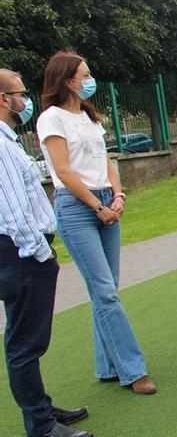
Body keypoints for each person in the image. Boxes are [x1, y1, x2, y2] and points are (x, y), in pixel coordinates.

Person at [37, 52, 158, 394]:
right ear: (66, 80)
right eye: (83, 74)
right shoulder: (51, 119)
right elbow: (63, 170)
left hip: (106, 201)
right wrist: (95, 204)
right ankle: (134, 371)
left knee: (106, 291)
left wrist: (117, 197)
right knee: (104, 291)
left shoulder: (90, 117)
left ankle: (107, 365)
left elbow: (105, 160)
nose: (89, 80)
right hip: (77, 207)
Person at [0, 68, 93, 437]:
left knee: (24, 339)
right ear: (4, 99)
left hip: (21, 253)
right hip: (21, 254)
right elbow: (13, 211)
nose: (26, 102)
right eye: (20, 94)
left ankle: (41, 408)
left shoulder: (8, 139)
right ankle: (40, 425)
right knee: (25, 343)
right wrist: (40, 251)